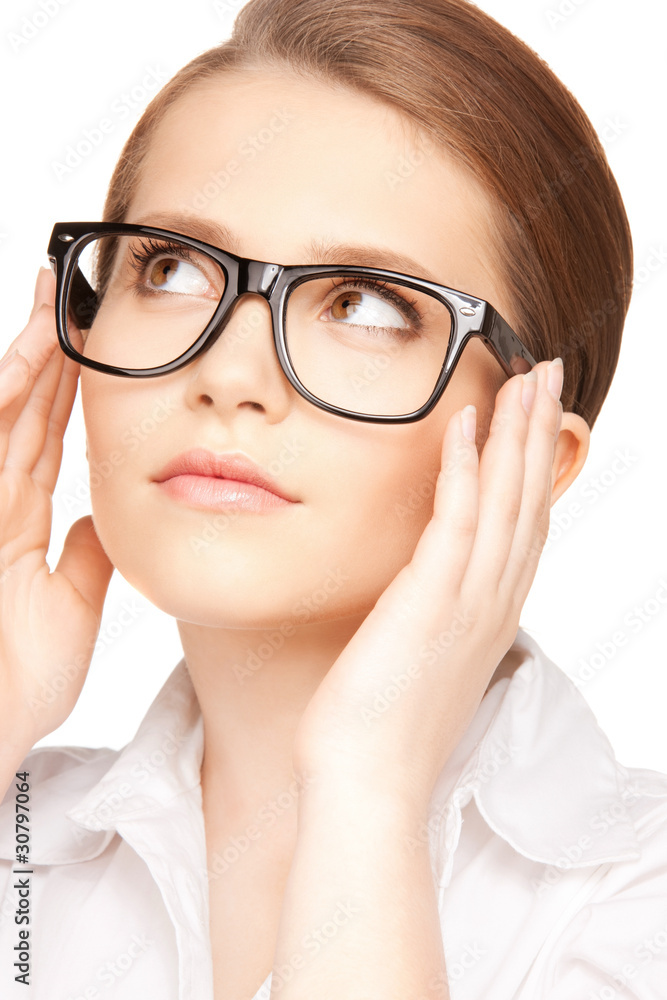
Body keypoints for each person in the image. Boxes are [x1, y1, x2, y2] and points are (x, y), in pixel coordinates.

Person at [0, 0, 665, 998]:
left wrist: (365, 794)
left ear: (539, 454)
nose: (229, 374)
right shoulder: (22, 835)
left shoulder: (634, 899)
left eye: (364, 303)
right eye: (172, 267)